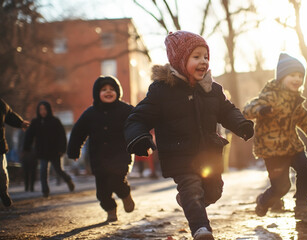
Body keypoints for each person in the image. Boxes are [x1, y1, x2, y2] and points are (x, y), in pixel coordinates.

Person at [124, 30, 254, 240]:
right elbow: (137, 118)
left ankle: (188, 201)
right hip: (179, 154)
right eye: (196, 57)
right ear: (179, 60)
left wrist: (242, 125)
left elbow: (227, 110)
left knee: (213, 192)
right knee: (192, 189)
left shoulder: (212, 89)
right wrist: (139, 137)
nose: (203, 61)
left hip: (208, 154)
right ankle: (201, 229)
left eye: (206, 56)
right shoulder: (162, 91)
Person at [243, 53, 307, 223]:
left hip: (293, 146)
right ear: (282, 77)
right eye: (292, 75)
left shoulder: (296, 100)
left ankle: (302, 206)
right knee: (281, 187)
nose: (297, 79)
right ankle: (263, 201)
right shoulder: (270, 95)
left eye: (300, 76)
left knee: (306, 168)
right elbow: (248, 109)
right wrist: (260, 110)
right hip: (272, 149)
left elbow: (305, 119)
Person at [67, 76, 135, 222]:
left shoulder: (126, 110)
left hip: (120, 156)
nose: (108, 92)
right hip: (99, 159)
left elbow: (137, 125)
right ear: (97, 93)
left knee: (117, 181)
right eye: (104, 90)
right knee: (102, 192)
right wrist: (74, 150)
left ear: (118, 92)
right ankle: (110, 211)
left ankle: (125, 194)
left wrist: (141, 142)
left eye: (111, 89)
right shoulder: (90, 113)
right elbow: (78, 131)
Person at [23, 101, 74, 198]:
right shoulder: (36, 122)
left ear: (48, 110)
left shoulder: (55, 121)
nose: (43, 111)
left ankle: (68, 180)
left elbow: (62, 136)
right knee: (43, 171)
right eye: (40, 109)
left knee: (58, 170)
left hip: (55, 151)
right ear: (38, 110)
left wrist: (62, 149)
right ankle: (45, 191)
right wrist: (26, 148)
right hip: (42, 151)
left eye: (44, 109)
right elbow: (29, 136)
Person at [0, 98, 29, 207]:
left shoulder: (1, 104)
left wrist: (20, 123)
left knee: (1, 173)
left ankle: (3, 192)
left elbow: (9, 114)